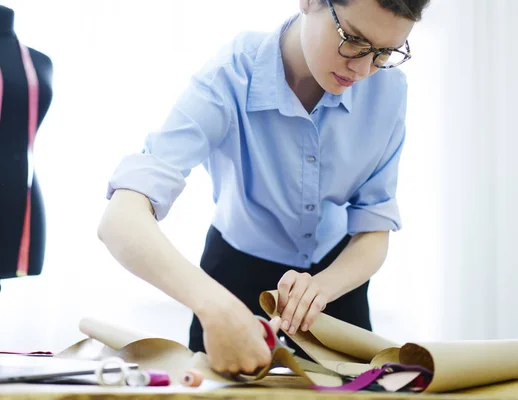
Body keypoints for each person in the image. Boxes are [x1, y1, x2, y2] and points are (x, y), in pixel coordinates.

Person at [98, 0, 429, 375]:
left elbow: (374, 227)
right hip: (232, 279)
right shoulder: (229, 76)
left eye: (385, 53)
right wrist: (213, 305)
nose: (364, 69)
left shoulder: (388, 90)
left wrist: (321, 288)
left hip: (337, 284)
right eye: (353, 40)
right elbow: (120, 219)